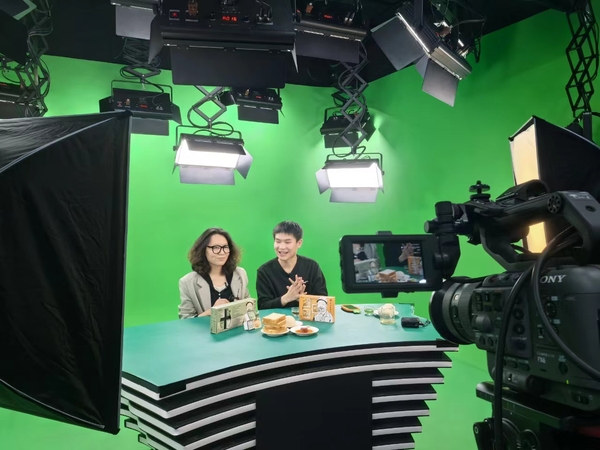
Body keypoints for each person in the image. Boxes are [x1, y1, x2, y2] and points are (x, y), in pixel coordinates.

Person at [178, 228, 250, 319]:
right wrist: (211, 312)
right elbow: (185, 320)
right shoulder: (188, 282)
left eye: (225, 247)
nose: (222, 252)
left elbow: (249, 308)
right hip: (205, 328)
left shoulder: (240, 274)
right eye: (216, 248)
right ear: (203, 250)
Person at [256, 221, 328, 310]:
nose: (281, 247)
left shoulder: (312, 266)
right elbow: (262, 306)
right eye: (278, 241)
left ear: (299, 243)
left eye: (287, 242)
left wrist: (304, 299)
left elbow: (323, 299)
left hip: (306, 318)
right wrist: (286, 298)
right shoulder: (264, 271)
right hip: (277, 319)